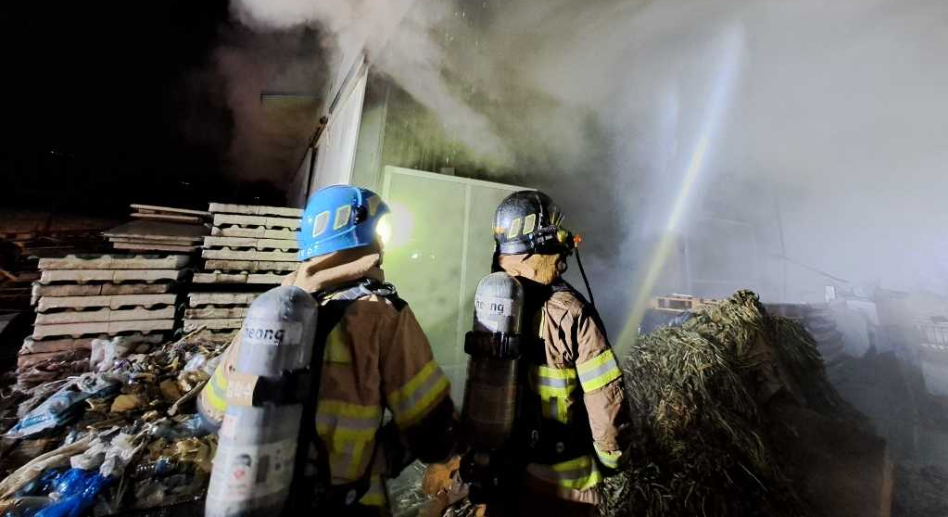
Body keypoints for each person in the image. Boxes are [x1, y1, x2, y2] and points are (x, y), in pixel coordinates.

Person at [199, 185, 458, 515]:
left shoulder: (270, 310)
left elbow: (210, 413)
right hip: (347, 505)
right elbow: (434, 432)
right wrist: (386, 456)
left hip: (257, 500)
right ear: (369, 234)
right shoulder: (381, 314)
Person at [479, 190, 631, 516]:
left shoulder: (492, 301)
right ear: (542, 237)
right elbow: (605, 396)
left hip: (502, 475)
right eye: (557, 228)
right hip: (563, 485)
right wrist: (612, 457)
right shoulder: (571, 311)